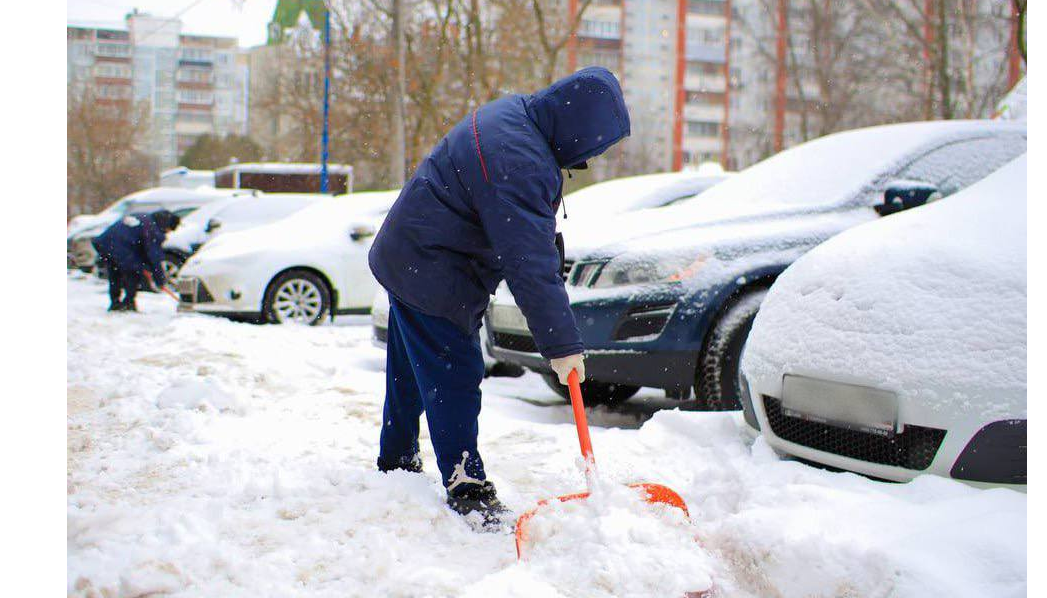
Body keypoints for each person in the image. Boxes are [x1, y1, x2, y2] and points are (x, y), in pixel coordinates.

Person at [368, 66, 631, 530]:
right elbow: (528, 264)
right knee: (454, 372)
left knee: (411, 368)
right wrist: (563, 347)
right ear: (581, 129)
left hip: (409, 253)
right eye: (598, 143)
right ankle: (466, 484)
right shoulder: (521, 160)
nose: (595, 154)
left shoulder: (515, 114)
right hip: (433, 268)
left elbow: (512, 226)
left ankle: (396, 461)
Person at [92, 209, 181, 312]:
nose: (167, 233)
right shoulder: (152, 229)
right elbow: (153, 255)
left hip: (104, 244)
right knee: (133, 274)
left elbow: (143, 249)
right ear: (167, 225)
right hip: (121, 247)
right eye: (169, 230)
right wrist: (159, 279)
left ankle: (115, 302)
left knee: (115, 273)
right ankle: (129, 303)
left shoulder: (144, 217)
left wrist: (148, 267)